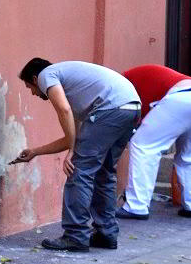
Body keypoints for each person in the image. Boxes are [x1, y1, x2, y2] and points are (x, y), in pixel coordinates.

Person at [11, 59, 140, 252]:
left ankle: (75, 235)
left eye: (30, 87)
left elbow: (63, 111)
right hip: (131, 107)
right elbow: (73, 138)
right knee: (104, 173)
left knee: (79, 172)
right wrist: (35, 152)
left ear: (36, 78)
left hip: (111, 109)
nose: (33, 93)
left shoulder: (48, 75)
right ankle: (107, 234)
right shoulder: (81, 95)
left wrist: (72, 151)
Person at [115, 64, 191, 220]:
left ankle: (137, 206)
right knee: (188, 151)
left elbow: (135, 119)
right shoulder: (135, 77)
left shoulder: (122, 87)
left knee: (142, 145)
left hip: (182, 98)